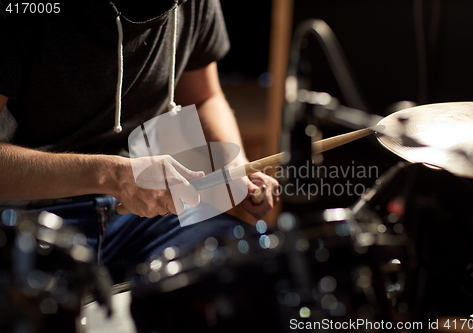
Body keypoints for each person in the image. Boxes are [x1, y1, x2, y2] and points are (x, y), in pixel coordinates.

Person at [0, 0, 279, 282]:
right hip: (27, 215)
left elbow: (204, 96)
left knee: (249, 265)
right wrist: (112, 175)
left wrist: (235, 164)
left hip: (139, 218)